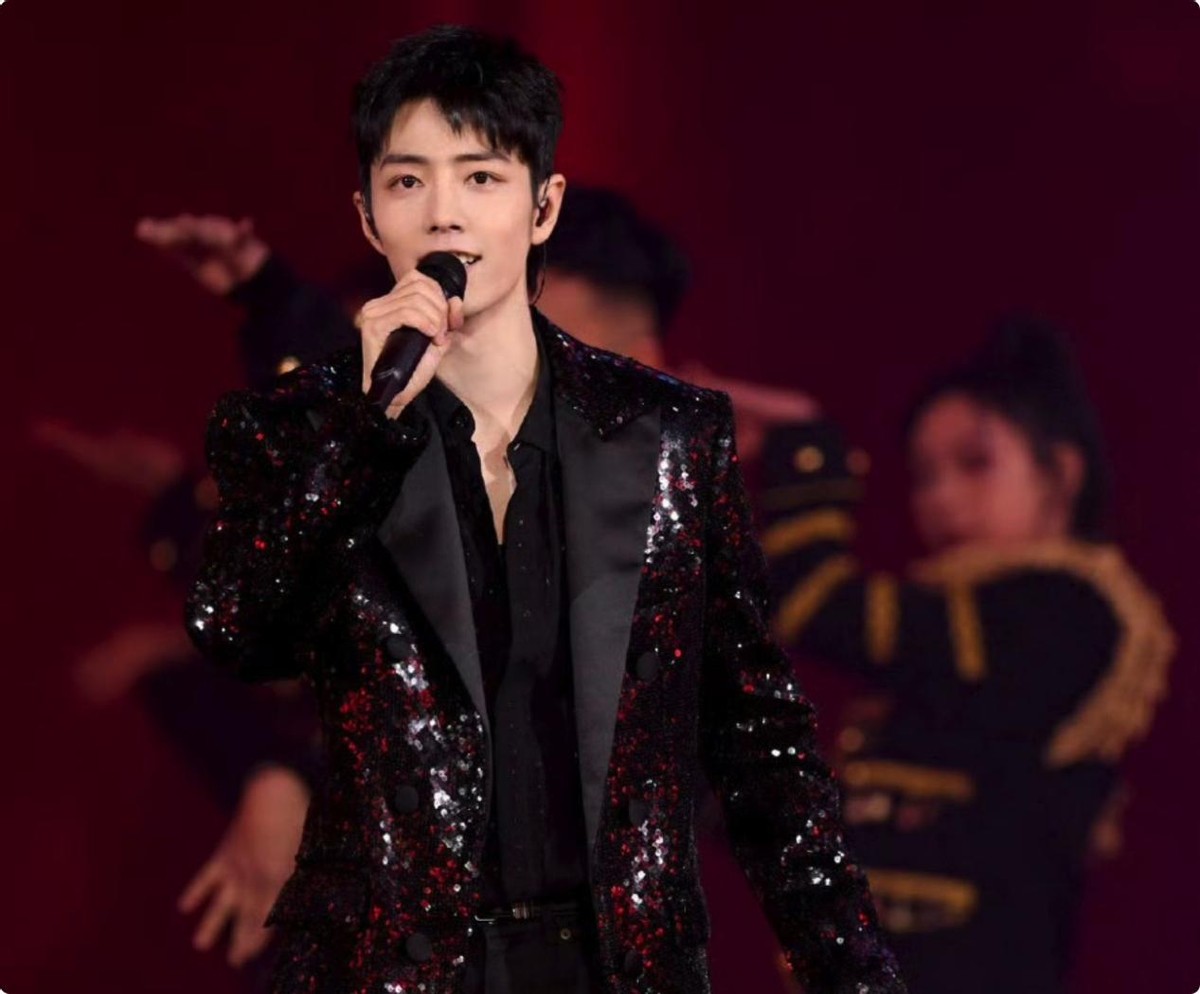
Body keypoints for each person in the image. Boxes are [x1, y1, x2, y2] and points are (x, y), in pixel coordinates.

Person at [186, 24, 904, 994]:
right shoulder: (299, 429)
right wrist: (364, 427)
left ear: (543, 206)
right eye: (408, 182)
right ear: (368, 217)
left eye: (481, 177)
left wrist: (853, 975)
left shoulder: (669, 436)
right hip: (382, 971)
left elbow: (758, 738)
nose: (445, 215)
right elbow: (237, 628)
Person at [758, 317, 1174, 993]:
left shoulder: (1067, 611)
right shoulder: (961, 630)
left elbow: (817, 606)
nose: (942, 498)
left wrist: (805, 449)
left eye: (975, 464)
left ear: (1061, 473)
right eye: (924, 475)